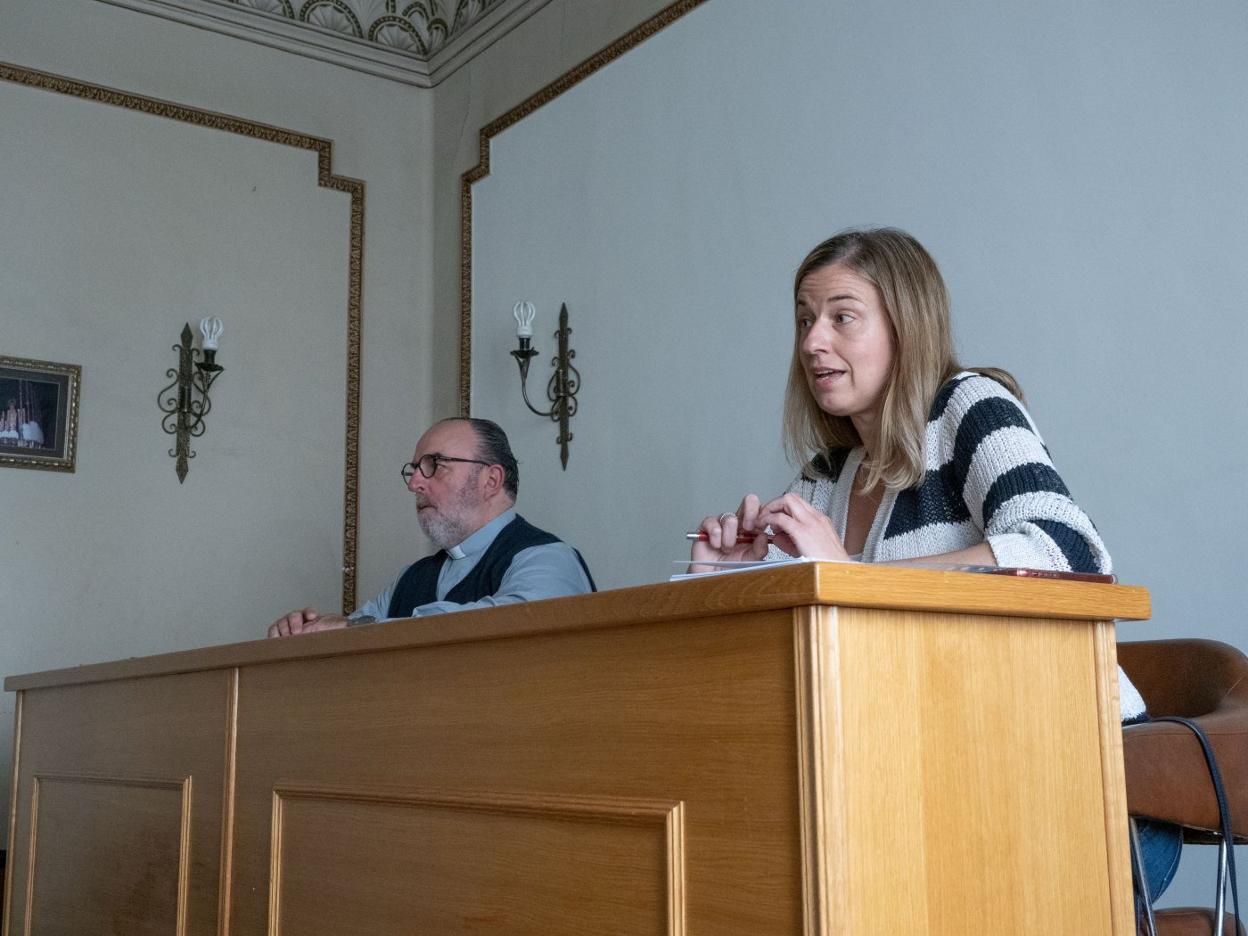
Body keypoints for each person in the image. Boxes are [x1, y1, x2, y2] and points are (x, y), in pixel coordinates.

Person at [690, 227, 1181, 904]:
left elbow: (1068, 552)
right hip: (939, 789)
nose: (811, 342)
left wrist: (855, 583)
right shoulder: (828, 473)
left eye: (841, 316)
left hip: (1080, 792)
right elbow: (798, 652)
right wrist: (725, 578)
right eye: (805, 320)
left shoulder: (968, 408)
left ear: (906, 326)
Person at [269, 417, 594, 637]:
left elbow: (505, 629)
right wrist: (305, 633)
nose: (414, 484)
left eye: (433, 465)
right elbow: (356, 635)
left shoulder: (547, 558)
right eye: (413, 469)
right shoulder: (409, 579)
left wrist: (355, 628)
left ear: (490, 480)